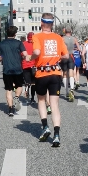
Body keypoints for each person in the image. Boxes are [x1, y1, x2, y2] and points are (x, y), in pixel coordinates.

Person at [27, 13, 68, 147]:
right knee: (55, 105)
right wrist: (56, 59)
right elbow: (66, 55)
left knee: (41, 100)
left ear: (41, 23)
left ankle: (45, 127)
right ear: (52, 24)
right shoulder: (58, 37)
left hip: (41, 73)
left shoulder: (37, 36)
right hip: (55, 72)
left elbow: (37, 52)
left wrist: (29, 57)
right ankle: (56, 135)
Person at [0, 26, 28, 116]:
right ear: (15, 34)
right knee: (19, 86)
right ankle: (17, 97)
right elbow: (25, 54)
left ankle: (10, 109)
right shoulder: (19, 43)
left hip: (7, 69)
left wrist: (4, 57)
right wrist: (21, 57)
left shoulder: (1, 44)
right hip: (18, 68)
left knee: (8, 89)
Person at [61, 26, 81, 101]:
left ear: (65, 31)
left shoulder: (62, 38)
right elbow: (79, 48)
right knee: (71, 72)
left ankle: (66, 91)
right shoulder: (74, 39)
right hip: (71, 56)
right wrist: (75, 49)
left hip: (64, 56)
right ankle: (72, 88)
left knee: (65, 74)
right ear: (71, 31)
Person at [22, 32, 37, 104]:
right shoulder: (36, 44)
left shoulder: (23, 44)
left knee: (27, 82)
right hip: (34, 66)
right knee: (34, 83)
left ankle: (26, 89)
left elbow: (21, 54)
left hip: (25, 65)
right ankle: (32, 98)